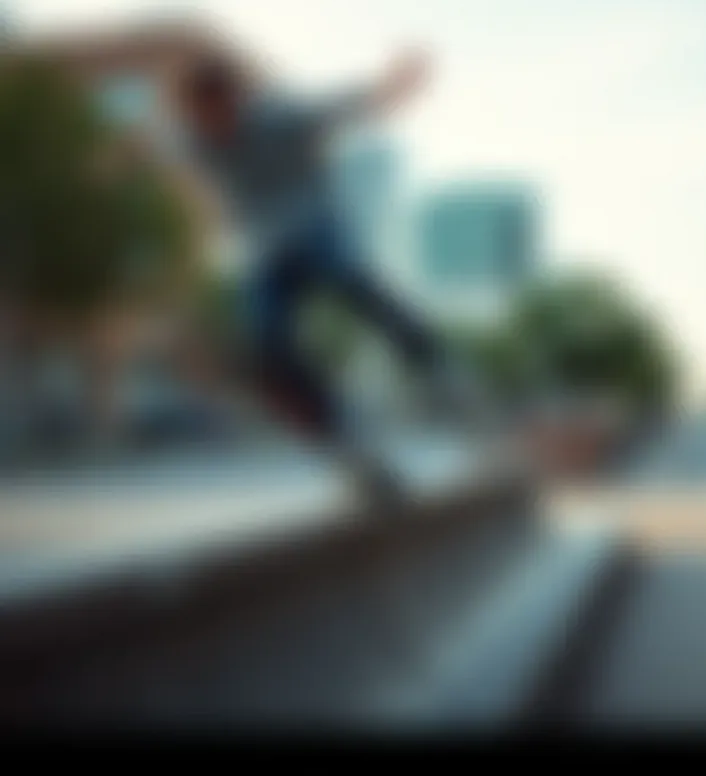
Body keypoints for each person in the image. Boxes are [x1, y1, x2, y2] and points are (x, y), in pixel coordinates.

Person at [167, 47, 479, 505]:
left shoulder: (277, 117)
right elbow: (146, 141)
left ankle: (438, 370)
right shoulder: (188, 139)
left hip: (317, 229)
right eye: (202, 119)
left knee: (354, 283)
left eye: (221, 116)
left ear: (236, 102)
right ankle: (345, 445)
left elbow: (339, 106)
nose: (216, 130)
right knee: (267, 348)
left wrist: (388, 87)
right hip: (264, 254)